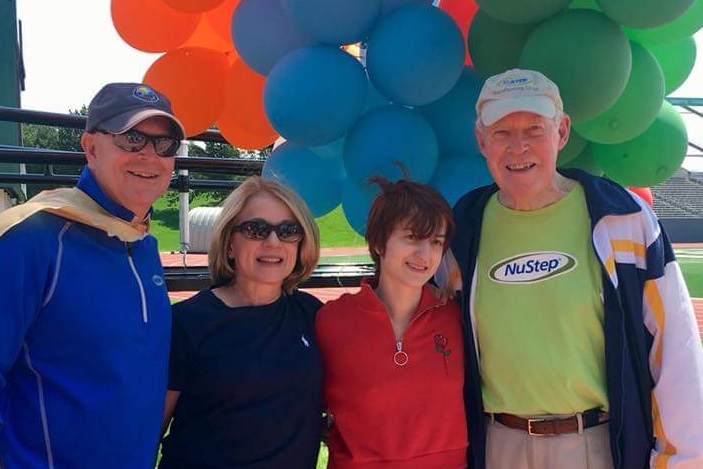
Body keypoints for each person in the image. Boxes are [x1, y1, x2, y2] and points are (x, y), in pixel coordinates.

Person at [436, 68, 703, 469]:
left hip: (593, 446)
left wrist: (683, 459)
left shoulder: (624, 221)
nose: (518, 146)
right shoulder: (461, 233)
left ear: (561, 132)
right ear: (481, 141)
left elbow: (675, 348)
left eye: (534, 129)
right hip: (497, 446)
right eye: (502, 133)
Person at [0, 82, 185, 468]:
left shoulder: (142, 243)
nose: (150, 155)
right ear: (90, 147)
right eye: (132, 139)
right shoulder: (33, 237)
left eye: (165, 144)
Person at [160, 176, 323, 469]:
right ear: (230, 244)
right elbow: (149, 431)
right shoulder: (188, 322)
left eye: (288, 231)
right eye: (256, 229)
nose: (273, 241)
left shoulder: (312, 316)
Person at [316, 176, 468, 469]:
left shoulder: (456, 318)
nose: (425, 255)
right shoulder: (331, 322)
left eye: (436, 242)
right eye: (412, 237)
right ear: (378, 242)